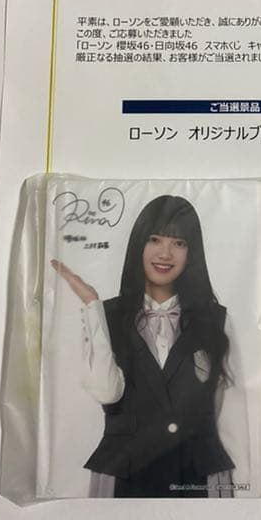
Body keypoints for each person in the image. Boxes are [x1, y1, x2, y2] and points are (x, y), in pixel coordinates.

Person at [51, 194, 246, 498]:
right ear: (138, 245)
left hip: (198, 473)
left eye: (179, 243)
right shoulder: (103, 316)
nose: (165, 253)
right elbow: (106, 392)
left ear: (192, 252)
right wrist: (93, 306)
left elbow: (230, 415)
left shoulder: (216, 320)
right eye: (155, 239)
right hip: (124, 473)